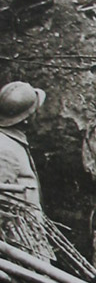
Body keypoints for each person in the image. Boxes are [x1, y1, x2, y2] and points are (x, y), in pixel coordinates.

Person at [0, 81, 52, 259]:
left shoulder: (12, 141)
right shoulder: (5, 149)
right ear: (26, 118)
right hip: (18, 242)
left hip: (27, 235)